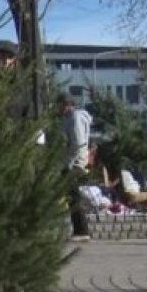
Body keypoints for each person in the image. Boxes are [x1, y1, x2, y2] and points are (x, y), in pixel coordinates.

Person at [58, 93, 93, 240]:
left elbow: (79, 143)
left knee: (74, 196)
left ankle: (82, 230)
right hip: (69, 161)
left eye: (59, 105)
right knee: (72, 196)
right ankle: (80, 230)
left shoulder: (75, 118)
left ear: (66, 104)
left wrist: (78, 163)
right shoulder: (69, 118)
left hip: (72, 163)